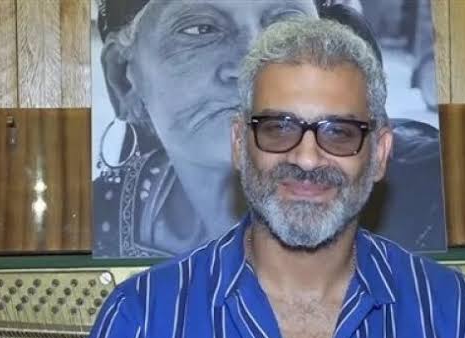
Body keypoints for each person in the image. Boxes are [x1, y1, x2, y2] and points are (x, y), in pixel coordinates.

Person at [70, 17, 465, 338]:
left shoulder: (453, 315)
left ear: (380, 153)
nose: (306, 158)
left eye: (339, 132)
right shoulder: (140, 320)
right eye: (278, 128)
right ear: (239, 144)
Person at [93, 0, 445, 258]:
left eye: (284, 26)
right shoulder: (98, 219)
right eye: (200, 29)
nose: (252, 65)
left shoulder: (433, 192)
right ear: (123, 79)